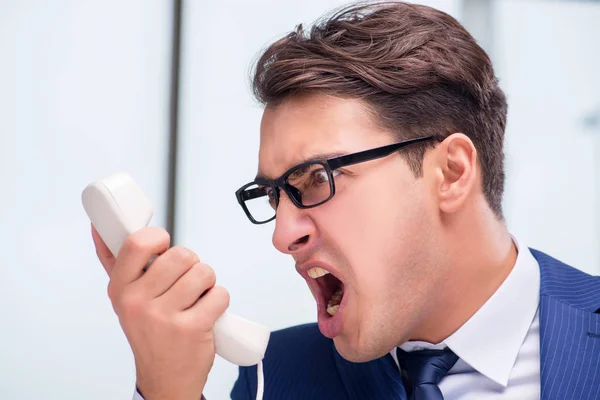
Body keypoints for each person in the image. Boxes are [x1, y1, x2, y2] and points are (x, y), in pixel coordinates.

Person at [91, 2, 600, 399]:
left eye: (317, 178)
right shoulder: (272, 378)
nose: (282, 235)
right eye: (273, 196)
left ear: (450, 172)